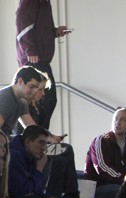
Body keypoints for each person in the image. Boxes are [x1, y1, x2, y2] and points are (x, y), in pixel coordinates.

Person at [15, 1, 71, 130]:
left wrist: (55, 31)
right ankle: (33, 136)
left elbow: (38, 28)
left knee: (44, 100)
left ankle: (36, 136)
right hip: (34, 60)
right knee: (42, 100)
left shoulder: (44, 2)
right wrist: (30, 50)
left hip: (40, 59)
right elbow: (22, 22)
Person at [7, 124, 48, 198]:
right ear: (27, 142)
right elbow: (24, 193)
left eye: (45, 144)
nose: (43, 148)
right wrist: (39, 169)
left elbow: (36, 191)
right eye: (41, 143)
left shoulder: (30, 155)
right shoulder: (14, 156)